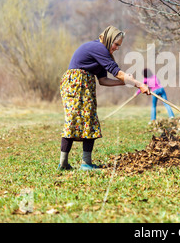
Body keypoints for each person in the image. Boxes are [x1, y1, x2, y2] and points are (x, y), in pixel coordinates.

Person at [58, 25, 150, 171]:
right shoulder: (99, 48)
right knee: (73, 120)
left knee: (89, 120)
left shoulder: (101, 53)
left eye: (119, 46)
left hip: (84, 84)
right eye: (116, 44)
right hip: (76, 84)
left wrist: (124, 82)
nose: (117, 48)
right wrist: (139, 84)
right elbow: (116, 72)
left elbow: (103, 80)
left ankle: (85, 163)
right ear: (109, 39)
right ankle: (65, 163)